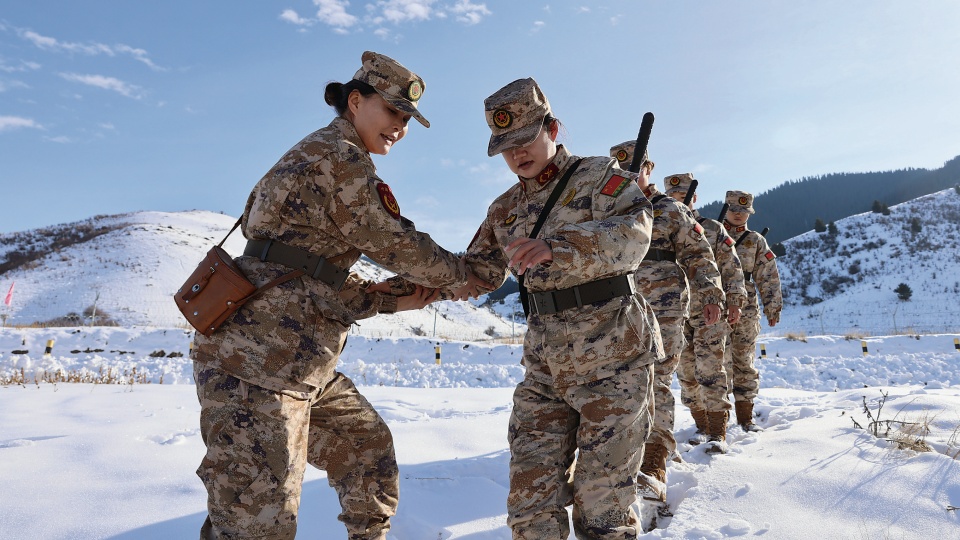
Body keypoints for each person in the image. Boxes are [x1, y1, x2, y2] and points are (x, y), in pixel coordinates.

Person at [190, 51, 491, 540]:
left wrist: (400, 297)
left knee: (365, 447)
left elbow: (312, 280)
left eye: (407, 119)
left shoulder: (331, 156)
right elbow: (393, 242)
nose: (400, 127)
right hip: (256, 365)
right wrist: (460, 276)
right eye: (393, 111)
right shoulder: (338, 157)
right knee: (255, 517)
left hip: (296, 360)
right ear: (356, 101)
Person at [459, 78, 662, 539]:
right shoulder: (504, 210)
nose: (516, 154)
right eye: (505, 147)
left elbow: (636, 232)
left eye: (525, 139)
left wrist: (560, 247)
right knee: (530, 509)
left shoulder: (599, 177)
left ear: (552, 128)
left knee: (602, 512)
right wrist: (403, 284)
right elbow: (475, 271)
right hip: (545, 371)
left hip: (614, 361)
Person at [609, 146, 724, 518]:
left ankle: (654, 464)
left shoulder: (671, 210)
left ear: (648, 168)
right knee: (620, 384)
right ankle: (623, 459)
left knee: (657, 380)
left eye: (635, 167)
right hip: (617, 311)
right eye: (620, 169)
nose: (628, 175)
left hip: (665, 309)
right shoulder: (607, 209)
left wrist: (711, 294)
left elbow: (699, 254)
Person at [664, 173, 748, 453]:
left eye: (684, 195)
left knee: (711, 369)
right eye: (673, 196)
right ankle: (701, 425)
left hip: (709, 310)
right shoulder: (660, 226)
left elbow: (732, 267)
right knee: (686, 372)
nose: (679, 201)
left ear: (695, 197)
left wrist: (735, 301)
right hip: (674, 311)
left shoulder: (711, 228)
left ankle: (717, 432)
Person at [722, 190, 782, 432]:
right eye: (734, 209)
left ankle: (745, 418)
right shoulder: (712, 234)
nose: (738, 214)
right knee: (717, 365)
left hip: (746, 309)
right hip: (715, 305)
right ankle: (716, 421)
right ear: (726, 208)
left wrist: (772, 306)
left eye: (743, 211)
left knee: (744, 362)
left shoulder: (755, 241)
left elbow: (768, 276)